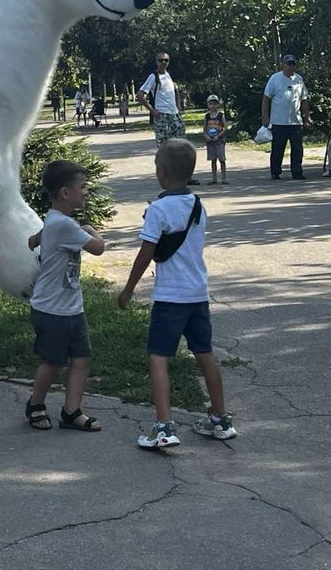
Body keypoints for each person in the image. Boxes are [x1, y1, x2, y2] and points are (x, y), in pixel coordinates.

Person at [117, 139, 236, 449]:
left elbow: (146, 254)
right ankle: (221, 418)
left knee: (158, 356)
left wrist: (129, 289)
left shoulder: (158, 210)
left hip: (171, 297)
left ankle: (163, 426)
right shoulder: (198, 204)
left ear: (161, 172)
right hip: (197, 292)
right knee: (205, 354)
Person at [24, 160, 105, 432]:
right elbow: (98, 248)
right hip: (51, 309)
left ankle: (71, 411)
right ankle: (35, 404)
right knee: (53, 361)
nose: (85, 192)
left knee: (81, 358)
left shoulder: (57, 222)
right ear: (65, 193)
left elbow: (35, 238)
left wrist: (37, 239)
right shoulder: (65, 226)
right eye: (82, 187)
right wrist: (92, 230)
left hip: (71, 307)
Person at [137, 52, 199, 184]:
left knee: (182, 147)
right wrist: (152, 111)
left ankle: (185, 177)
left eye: (166, 60)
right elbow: (140, 95)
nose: (163, 63)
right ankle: (165, 177)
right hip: (163, 116)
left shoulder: (168, 76)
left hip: (174, 115)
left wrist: (178, 108)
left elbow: (174, 91)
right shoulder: (153, 77)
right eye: (161, 60)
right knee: (164, 148)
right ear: (156, 62)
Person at [262, 54, 312, 180]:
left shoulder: (298, 79)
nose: (291, 66)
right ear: (283, 64)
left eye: (293, 64)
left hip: (296, 121)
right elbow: (266, 99)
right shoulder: (275, 79)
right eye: (288, 63)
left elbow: (304, 100)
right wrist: (265, 117)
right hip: (278, 121)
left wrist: (307, 117)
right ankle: (275, 171)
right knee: (278, 148)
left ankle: (297, 172)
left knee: (297, 149)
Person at [203, 94, 229, 185]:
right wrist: (206, 136)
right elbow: (204, 128)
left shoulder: (221, 115)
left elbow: (225, 127)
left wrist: (219, 135)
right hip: (210, 141)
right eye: (210, 103)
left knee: (222, 160)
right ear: (208, 105)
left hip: (219, 141)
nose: (213, 106)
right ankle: (214, 178)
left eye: (214, 103)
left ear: (218, 104)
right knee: (213, 160)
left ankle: (224, 178)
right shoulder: (207, 116)